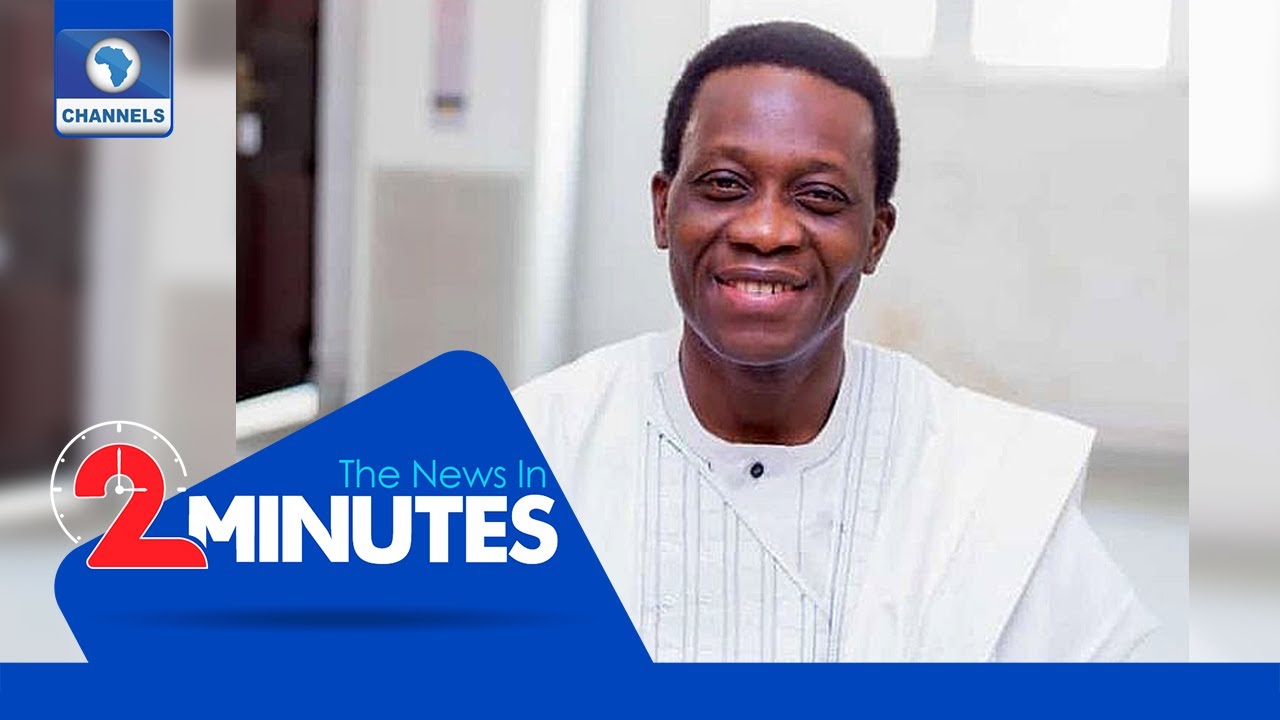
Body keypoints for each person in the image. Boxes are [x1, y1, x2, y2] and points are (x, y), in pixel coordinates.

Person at [514, 21, 1155, 662]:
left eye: (819, 197)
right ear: (663, 208)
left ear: (876, 237)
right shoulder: (532, 449)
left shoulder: (982, 488)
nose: (766, 231)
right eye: (725, 185)